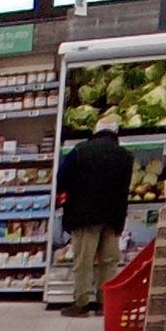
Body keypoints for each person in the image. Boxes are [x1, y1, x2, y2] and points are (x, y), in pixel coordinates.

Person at [56, 114, 133, 317]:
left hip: (84, 215)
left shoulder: (80, 150)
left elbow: (61, 177)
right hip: (113, 215)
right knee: (109, 261)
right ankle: (105, 304)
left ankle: (81, 303)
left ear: (95, 132)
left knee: (84, 261)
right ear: (115, 133)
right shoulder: (125, 156)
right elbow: (125, 188)